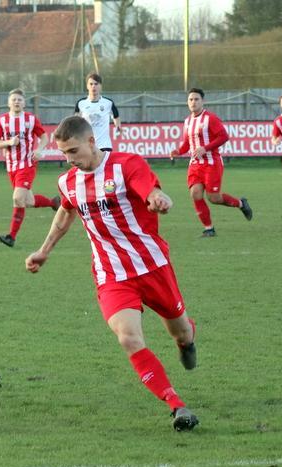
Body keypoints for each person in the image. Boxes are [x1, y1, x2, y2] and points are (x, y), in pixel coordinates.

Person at [26, 116, 199, 431]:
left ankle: (186, 341)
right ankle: (176, 404)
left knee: (182, 332)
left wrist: (157, 199)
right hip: (111, 275)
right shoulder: (68, 181)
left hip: (152, 267)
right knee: (129, 337)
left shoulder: (126, 164)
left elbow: (149, 188)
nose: (69, 160)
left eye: (74, 151)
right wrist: (44, 250)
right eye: (64, 154)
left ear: (92, 142)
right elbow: (66, 212)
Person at [170, 88, 253, 237]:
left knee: (213, 197)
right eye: (191, 100)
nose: (193, 102)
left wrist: (205, 148)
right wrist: (178, 151)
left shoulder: (210, 118)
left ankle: (241, 204)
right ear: (187, 102)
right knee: (195, 193)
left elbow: (223, 137)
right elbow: (187, 144)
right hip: (195, 165)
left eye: (196, 99)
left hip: (211, 163)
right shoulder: (188, 121)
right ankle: (209, 228)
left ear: (202, 101)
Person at [0, 88, 60, 247]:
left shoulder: (30, 119)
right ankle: (53, 203)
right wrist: (8, 142)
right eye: (14, 99)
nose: (16, 102)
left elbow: (44, 137)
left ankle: (11, 237)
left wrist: (39, 149)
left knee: (17, 198)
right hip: (11, 167)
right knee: (27, 200)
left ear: (24, 103)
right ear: (9, 103)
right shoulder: (2, 120)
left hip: (27, 164)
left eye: (19, 100)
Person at [74, 73, 121, 151]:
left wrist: (118, 127)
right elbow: (76, 121)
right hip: (87, 146)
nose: (93, 86)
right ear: (87, 86)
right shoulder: (81, 103)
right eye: (91, 84)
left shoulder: (108, 103)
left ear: (100, 86)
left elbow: (116, 116)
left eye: (96, 84)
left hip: (104, 145)